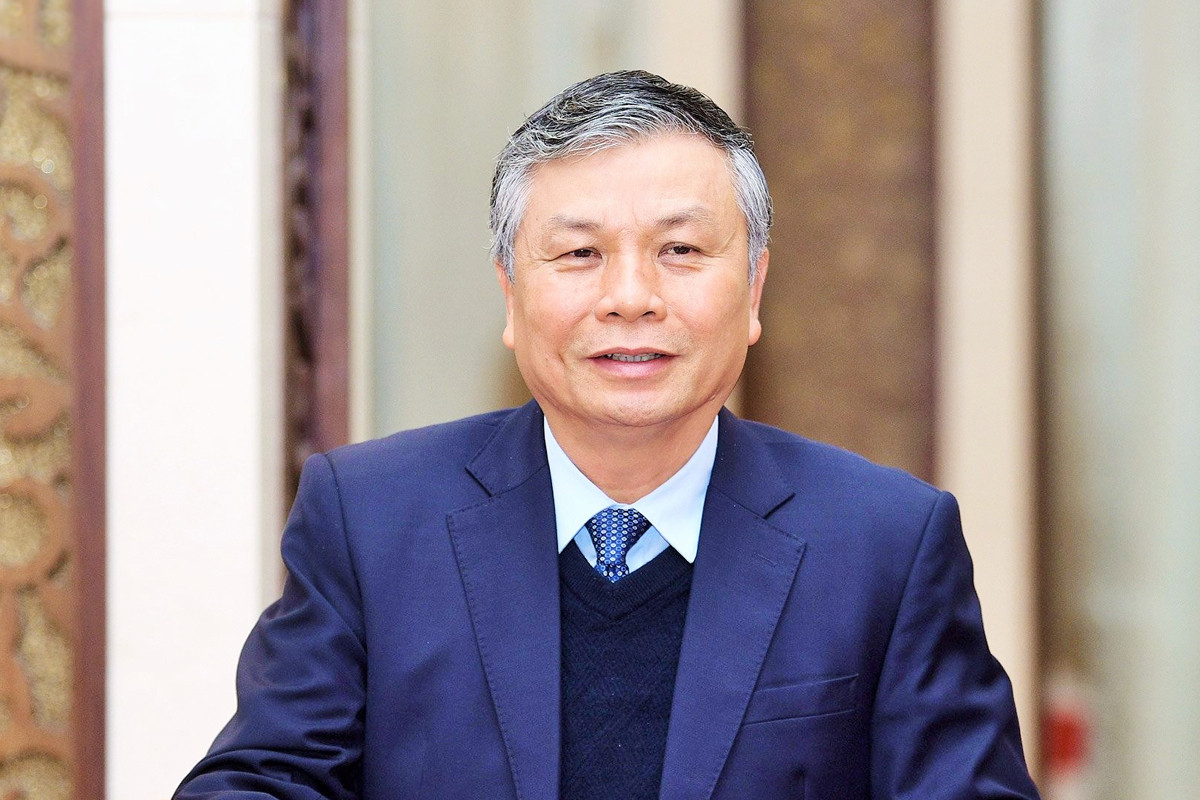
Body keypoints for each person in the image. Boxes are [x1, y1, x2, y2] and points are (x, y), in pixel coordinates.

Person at [175, 70, 1040, 799]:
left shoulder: (886, 543)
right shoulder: (369, 520)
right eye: (580, 255)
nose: (631, 298)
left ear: (754, 289)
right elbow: (264, 780)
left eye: (681, 250)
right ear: (510, 295)